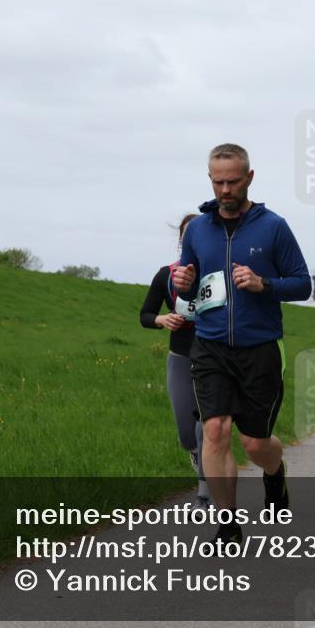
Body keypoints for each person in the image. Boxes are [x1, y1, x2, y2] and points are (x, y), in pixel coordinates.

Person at [173, 143, 311, 543]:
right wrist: (185, 282)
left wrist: (263, 283)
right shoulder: (198, 229)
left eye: (233, 182)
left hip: (260, 347)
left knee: (254, 443)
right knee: (215, 430)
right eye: (218, 182)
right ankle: (228, 524)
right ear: (210, 179)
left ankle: (274, 472)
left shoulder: (274, 227)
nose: (225, 190)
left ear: (249, 178)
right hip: (210, 345)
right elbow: (190, 283)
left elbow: (302, 284)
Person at [140, 214, 209, 509]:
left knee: (205, 427)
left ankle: (204, 494)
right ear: (181, 240)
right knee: (187, 434)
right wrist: (162, 319)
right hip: (179, 357)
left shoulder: (218, 275)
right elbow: (145, 315)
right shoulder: (166, 275)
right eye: (187, 234)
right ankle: (195, 454)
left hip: (213, 359)